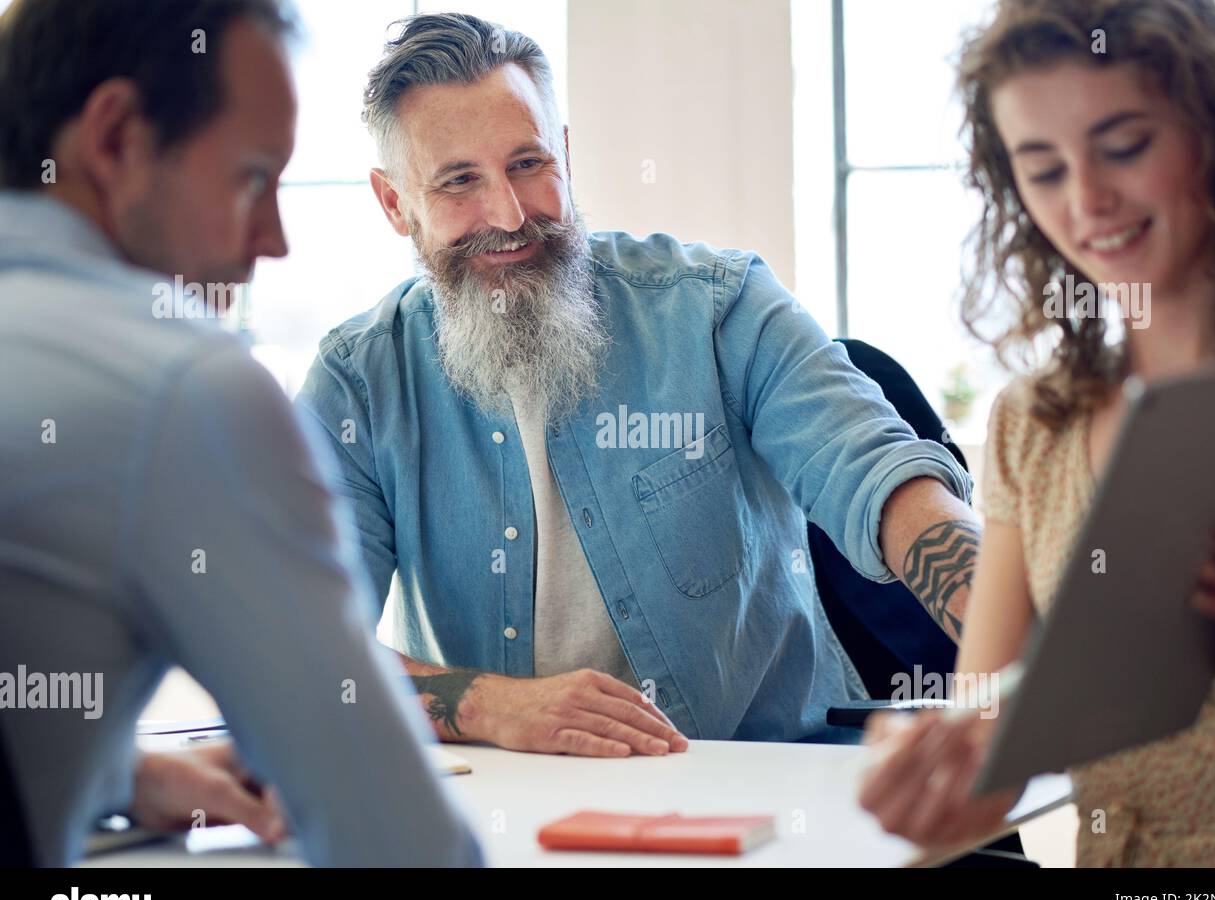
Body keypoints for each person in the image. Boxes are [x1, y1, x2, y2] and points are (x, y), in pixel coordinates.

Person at [296, 12, 984, 755]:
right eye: (459, 181)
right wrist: (494, 707)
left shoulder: (721, 307)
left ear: (565, 152)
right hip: (518, 818)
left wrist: (1018, 641)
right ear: (395, 203)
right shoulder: (359, 384)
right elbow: (301, 648)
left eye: (528, 163)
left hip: (773, 787)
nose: (509, 213)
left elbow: (881, 478)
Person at [0, 0, 480, 867]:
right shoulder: (183, 388)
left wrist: (114, 772)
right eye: (252, 178)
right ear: (115, 139)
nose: (274, 239)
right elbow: (401, 847)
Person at [858, 0, 1215, 866]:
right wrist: (927, 780)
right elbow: (988, 743)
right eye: (1043, 167)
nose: (1088, 200)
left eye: (1124, 145)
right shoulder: (1036, 422)